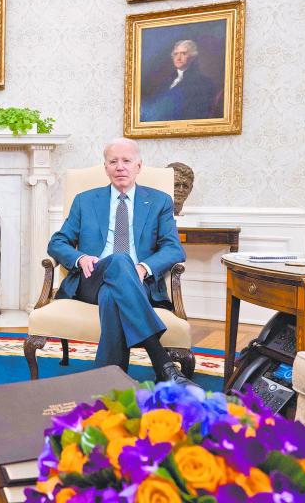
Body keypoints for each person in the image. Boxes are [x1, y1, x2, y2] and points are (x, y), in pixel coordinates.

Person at [47, 138, 197, 386]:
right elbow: (58, 242)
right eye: (113, 161)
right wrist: (80, 257)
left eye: (126, 161)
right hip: (91, 278)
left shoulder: (159, 201)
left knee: (112, 294)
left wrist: (143, 267)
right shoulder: (85, 200)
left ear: (139, 166)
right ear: (105, 167)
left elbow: (173, 248)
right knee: (118, 260)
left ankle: (107, 383)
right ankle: (161, 361)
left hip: (139, 282)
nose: (120, 167)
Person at [141, 40, 217, 122]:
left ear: (193, 57)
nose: (178, 58)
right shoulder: (166, 82)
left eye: (183, 53)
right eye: (175, 54)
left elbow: (198, 114)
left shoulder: (203, 82)